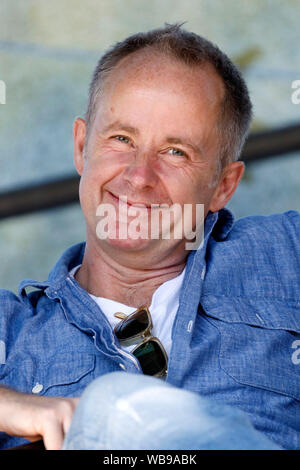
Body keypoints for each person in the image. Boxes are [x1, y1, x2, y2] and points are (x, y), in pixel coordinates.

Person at [0, 23, 299, 451]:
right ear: (82, 146)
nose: (140, 177)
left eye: (175, 152)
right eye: (122, 139)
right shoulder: (11, 330)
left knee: (109, 407)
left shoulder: (285, 254)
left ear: (223, 186)